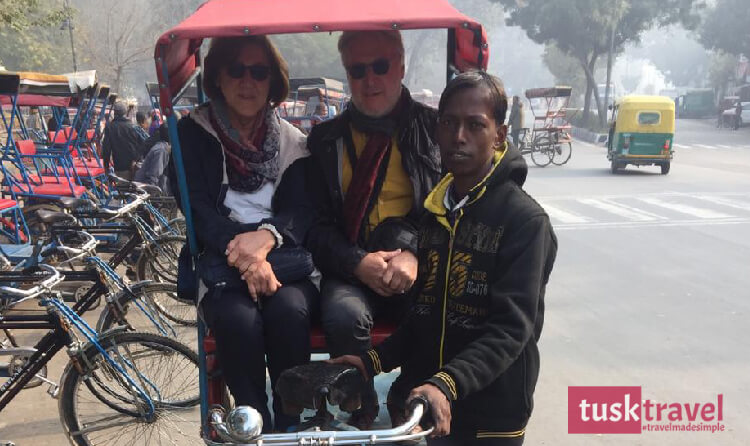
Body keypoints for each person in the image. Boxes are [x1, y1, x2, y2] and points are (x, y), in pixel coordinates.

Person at [332, 71, 557, 445]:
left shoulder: (524, 221)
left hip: (491, 415)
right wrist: (370, 362)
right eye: (449, 123)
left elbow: (510, 330)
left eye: (475, 125)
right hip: (434, 405)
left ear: (499, 135)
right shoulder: (435, 215)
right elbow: (423, 317)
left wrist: (446, 384)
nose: (459, 136)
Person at [173, 34, 318, 433]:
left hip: (281, 260)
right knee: (238, 322)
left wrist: (266, 240)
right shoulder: (192, 134)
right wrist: (242, 251)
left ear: (273, 82)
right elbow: (196, 208)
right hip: (222, 261)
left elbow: (301, 210)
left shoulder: (292, 142)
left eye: (259, 72)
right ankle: (252, 423)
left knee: (290, 312)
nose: (247, 82)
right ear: (218, 77)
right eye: (236, 70)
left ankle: (291, 419)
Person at [305, 30, 442, 429]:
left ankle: (408, 392)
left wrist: (416, 254)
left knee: (438, 306)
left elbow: (449, 211)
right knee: (344, 318)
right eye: (358, 70)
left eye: (380, 66)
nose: (370, 79)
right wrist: (357, 263)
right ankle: (359, 406)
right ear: (347, 75)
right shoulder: (324, 140)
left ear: (400, 66)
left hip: (417, 265)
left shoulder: (435, 131)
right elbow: (313, 224)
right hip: (349, 267)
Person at [102, 101, 143, 180]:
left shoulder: (110, 127)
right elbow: (143, 145)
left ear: (115, 113)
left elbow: (106, 149)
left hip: (120, 168)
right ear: (125, 112)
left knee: (123, 190)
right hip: (136, 167)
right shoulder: (133, 126)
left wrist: (106, 167)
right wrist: (135, 160)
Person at [134, 123, 171, 194]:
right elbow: (154, 174)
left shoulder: (161, 146)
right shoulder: (161, 150)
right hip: (145, 187)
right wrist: (154, 194)